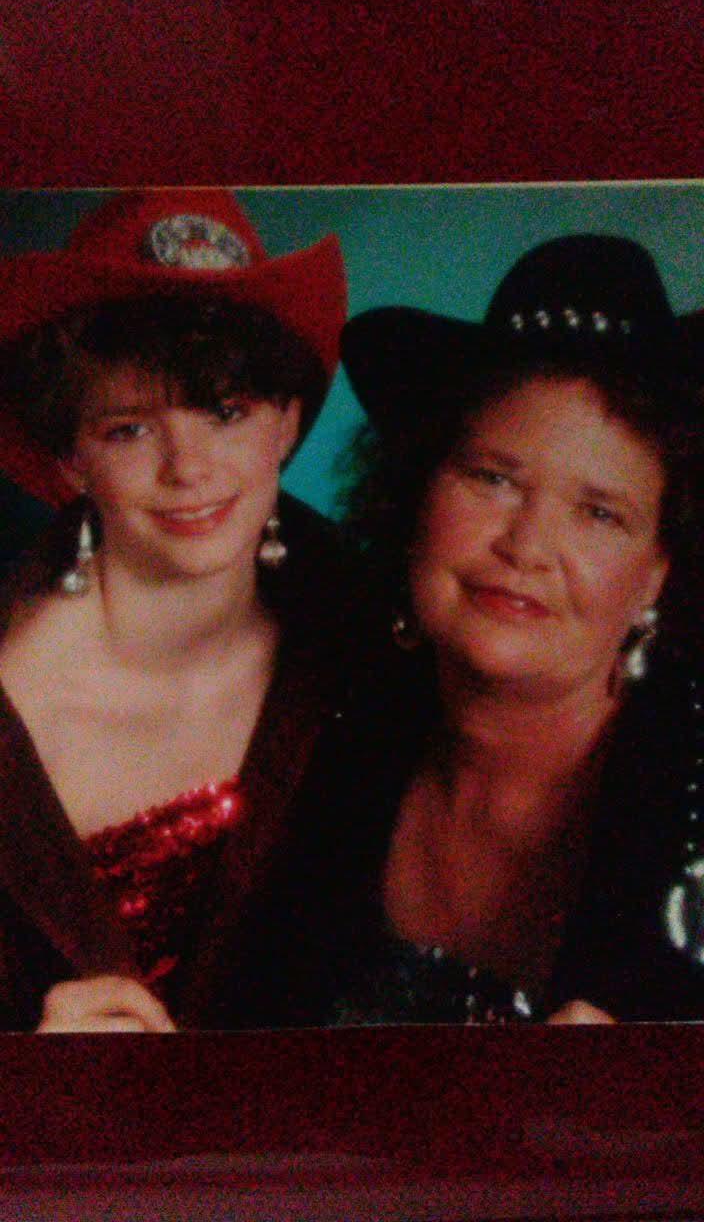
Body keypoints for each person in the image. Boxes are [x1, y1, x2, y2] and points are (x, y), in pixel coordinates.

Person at [323, 233, 704, 1025]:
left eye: (600, 513)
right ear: (416, 497)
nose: (526, 547)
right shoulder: (325, 729)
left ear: (660, 571)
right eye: (492, 478)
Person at [0, 187, 352, 1031]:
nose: (187, 469)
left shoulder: (367, 648)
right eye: (129, 429)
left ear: (286, 425)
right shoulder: (14, 688)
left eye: (226, 412)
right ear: (72, 461)